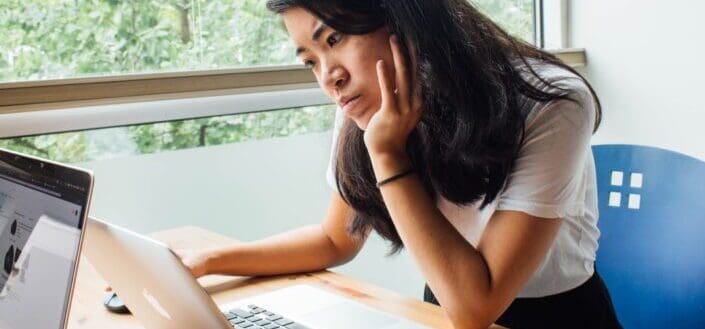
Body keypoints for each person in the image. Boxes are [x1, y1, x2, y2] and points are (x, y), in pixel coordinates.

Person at [178, 1, 623, 328]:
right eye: (311, 60)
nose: (330, 76)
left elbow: (476, 306)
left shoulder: (551, 102)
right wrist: (209, 260)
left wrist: (387, 153)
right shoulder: (366, 98)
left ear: (404, 17)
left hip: (553, 317)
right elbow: (336, 239)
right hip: (439, 304)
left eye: (334, 39)